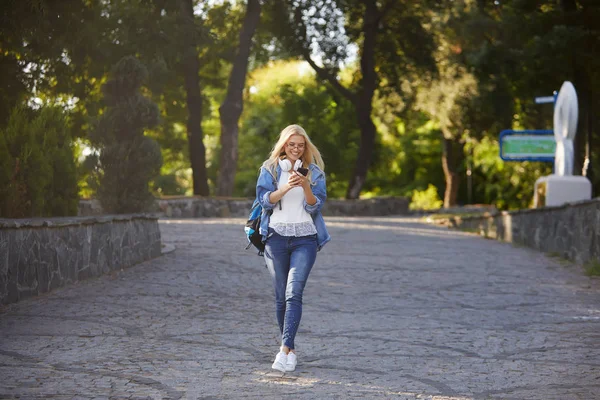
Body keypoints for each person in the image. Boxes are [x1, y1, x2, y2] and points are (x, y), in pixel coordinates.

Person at [255, 124, 331, 372]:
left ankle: (283, 350)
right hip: (275, 237)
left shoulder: (315, 172)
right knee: (280, 298)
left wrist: (305, 185)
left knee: (293, 293)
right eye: (291, 144)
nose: (296, 149)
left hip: (305, 239)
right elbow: (264, 201)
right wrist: (286, 187)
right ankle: (291, 349)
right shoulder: (270, 169)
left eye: (300, 145)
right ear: (284, 145)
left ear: (305, 147)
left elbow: (314, 206)